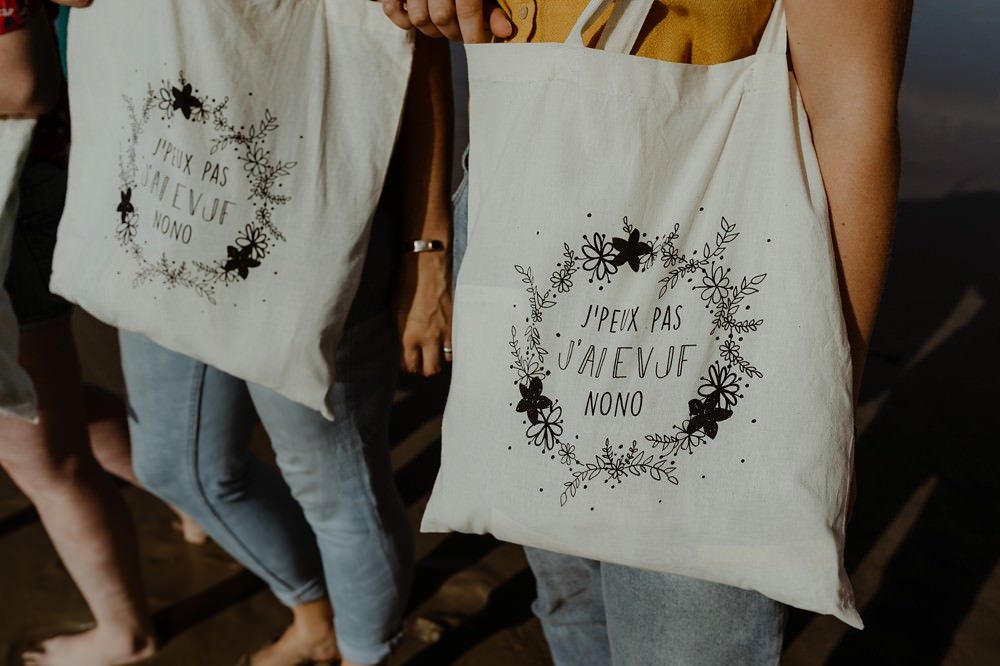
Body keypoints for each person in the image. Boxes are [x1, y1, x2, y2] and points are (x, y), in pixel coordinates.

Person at [383, 0, 912, 663]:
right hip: (518, 208)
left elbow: (851, 111)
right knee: (567, 586)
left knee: (681, 643)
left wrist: (826, 415)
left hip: (703, 244)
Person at [63, 1, 454, 665]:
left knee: (334, 485)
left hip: (314, 217)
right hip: (162, 199)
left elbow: (416, 49)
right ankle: (314, 614)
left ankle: (366, 650)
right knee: (175, 465)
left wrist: (428, 251)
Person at [0, 1, 199, 664]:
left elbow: (22, 84)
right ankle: (195, 497)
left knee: (35, 448)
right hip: (30, 189)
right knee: (47, 403)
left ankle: (125, 633)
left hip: (14, 199)